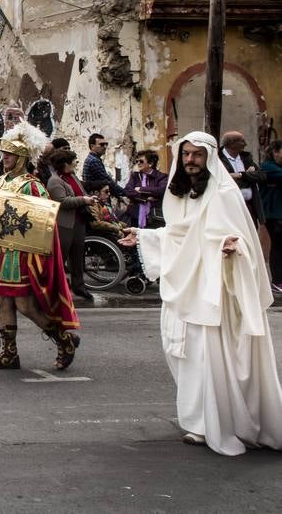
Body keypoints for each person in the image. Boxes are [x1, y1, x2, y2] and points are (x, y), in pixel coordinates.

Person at [119, 132, 282, 455]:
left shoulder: (223, 192)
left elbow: (240, 238)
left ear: (209, 157)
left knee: (210, 358)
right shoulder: (180, 192)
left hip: (213, 290)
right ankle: (198, 420)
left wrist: (231, 246)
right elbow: (180, 234)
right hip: (183, 289)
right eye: (186, 154)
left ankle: (214, 424)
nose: (190, 160)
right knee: (183, 354)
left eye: (197, 155)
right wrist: (143, 237)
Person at [0, 123, 80, 371]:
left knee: (25, 305)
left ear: (22, 157)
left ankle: (64, 339)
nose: (5, 158)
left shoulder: (33, 185)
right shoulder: (1, 182)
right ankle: (9, 354)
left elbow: (43, 223)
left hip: (22, 254)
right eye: (4, 153)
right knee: (3, 300)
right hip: (2, 252)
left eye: (10, 154)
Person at [45, 147, 96, 301]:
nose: (76, 162)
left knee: (78, 256)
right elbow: (61, 202)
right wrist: (84, 200)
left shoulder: (72, 176)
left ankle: (79, 286)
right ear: (65, 163)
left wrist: (88, 198)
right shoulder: (55, 181)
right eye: (73, 160)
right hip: (64, 225)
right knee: (61, 257)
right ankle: (55, 288)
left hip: (79, 222)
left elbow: (81, 192)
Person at [219, 131, 269, 278]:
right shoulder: (219, 159)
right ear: (231, 144)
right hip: (229, 207)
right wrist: (246, 175)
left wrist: (241, 175)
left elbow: (262, 176)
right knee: (233, 237)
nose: (245, 144)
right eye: (241, 141)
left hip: (249, 206)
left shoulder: (246, 158)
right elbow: (223, 179)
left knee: (250, 236)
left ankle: (249, 270)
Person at [124, 150, 168, 229]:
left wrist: (140, 189)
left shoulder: (161, 177)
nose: (138, 163)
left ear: (150, 163)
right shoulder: (135, 176)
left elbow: (160, 190)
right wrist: (145, 198)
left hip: (154, 217)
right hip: (135, 216)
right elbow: (128, 191)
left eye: (141, 161)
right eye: (136, 161)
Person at [260, 140, 282, 291]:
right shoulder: (268, 167)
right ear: (275, 152)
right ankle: (278, 281)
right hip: (274, 214)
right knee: (279, 246)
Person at [82, 133, 126, 200]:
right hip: (96, 198)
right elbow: (106, 180)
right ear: (92, 146)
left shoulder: (94, 159)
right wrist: (125, 193)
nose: (105, 146)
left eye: (106, 144)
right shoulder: (94, 161)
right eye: (102, 144)